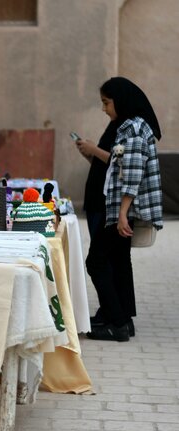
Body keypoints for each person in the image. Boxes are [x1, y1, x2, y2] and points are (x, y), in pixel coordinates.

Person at [79, 77, 163, 342]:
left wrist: (123, 213)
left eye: (106, 102)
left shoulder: (134, 129)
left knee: (96, 261)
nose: (104, 108)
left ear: (121, 100)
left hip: (116, 209)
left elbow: (133, 172)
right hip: (113, 206)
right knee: (116, 260)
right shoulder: (129, 125)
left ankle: (118, 324)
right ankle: (121, 317)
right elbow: (118, 165)